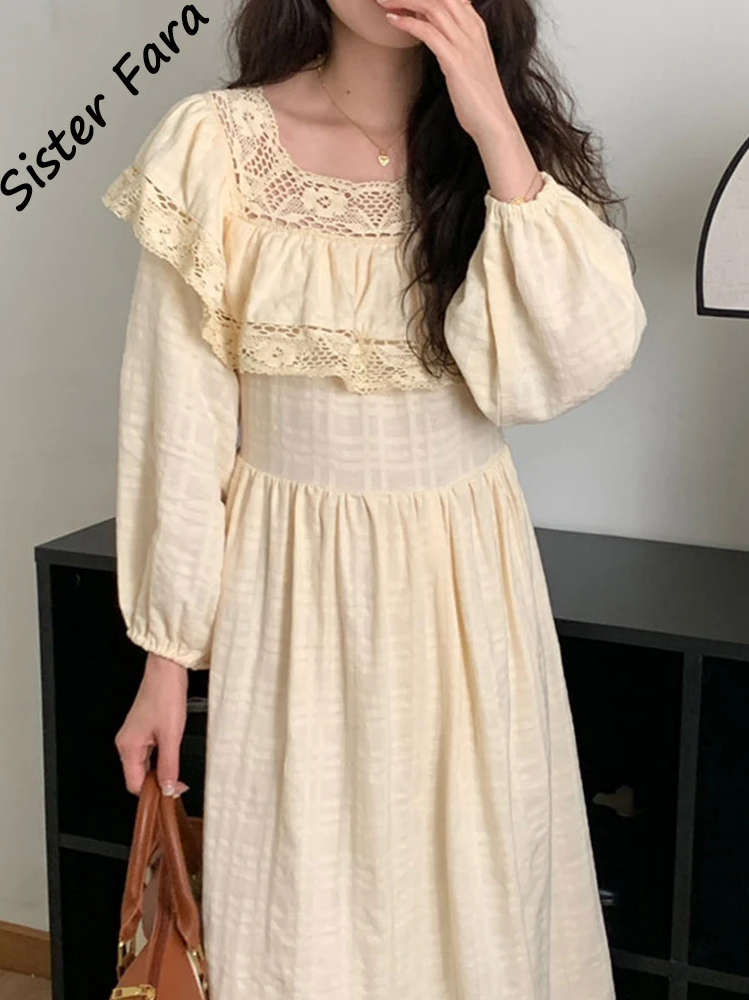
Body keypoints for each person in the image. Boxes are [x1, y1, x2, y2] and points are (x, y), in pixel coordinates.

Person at [103, 0, 647, 997]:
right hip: (294, 601)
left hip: (468, 601)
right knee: (305, 923)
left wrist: (490, 119)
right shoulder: (217, 147)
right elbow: (176, 427)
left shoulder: (500, 156)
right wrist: (165, 660)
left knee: (479, 909)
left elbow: (569, 362)